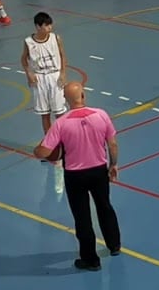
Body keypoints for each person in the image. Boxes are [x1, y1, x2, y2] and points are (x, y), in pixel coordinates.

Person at [33, 82, 122, 271]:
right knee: (105, 206)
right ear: (83, 95)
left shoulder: (61, 123)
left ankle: (91, 260)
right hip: (98, 171)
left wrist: (38, 149)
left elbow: (43, 152)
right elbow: (112, 144)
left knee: (82, 217)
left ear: (65, 100)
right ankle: (114, 245)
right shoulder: (101, 115)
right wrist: (113, 164)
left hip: (75, 175)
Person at [21, 11, 68, 136]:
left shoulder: (55, 38)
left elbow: (63, 56)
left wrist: (63, 73)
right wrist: (29, 73)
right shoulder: (28, 42)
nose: (49, 28)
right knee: (44, 112)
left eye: (50, 25)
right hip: (39, 78)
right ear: (38, 26)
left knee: (59, 111)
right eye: (46, 25)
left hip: (55, 76)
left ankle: (64, 138)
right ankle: (49, 140)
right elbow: (23, 59)